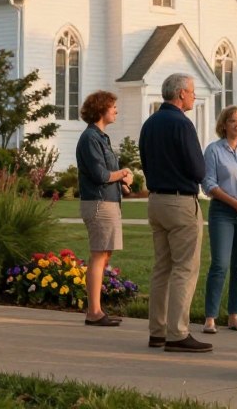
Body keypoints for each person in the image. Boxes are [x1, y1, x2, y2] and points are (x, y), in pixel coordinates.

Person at [139, 73, 212, 353]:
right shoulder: (182, 124)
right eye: (192, 92)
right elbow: (198, 169)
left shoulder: (151, 123)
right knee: (184, 267)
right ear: (180, 94)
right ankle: (178, 333)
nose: (194, 96)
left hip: (156, 199)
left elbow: (145, 160)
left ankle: (157, 331)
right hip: (180, 201)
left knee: (162, 267)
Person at [76, 90, 133, 327]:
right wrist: (123, 173)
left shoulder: (101, 137)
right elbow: (100, 175)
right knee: (99, 255)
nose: (116, 110)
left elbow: (104, 173)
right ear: (101, 109)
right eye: (113, 107)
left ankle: (98, 309)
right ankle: (94, 312)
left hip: (108, 202)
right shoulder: (90, 138)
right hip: (99, 204)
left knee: (104, 254)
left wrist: (121, 182)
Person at [201, 105, 237, 335]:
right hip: (223, 210)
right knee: (220, 264)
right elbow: (209, 184)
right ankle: (210, 318)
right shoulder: (214, 150)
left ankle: (234, 316)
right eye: (233, 120)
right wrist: (233, 202)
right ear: (224, 124)